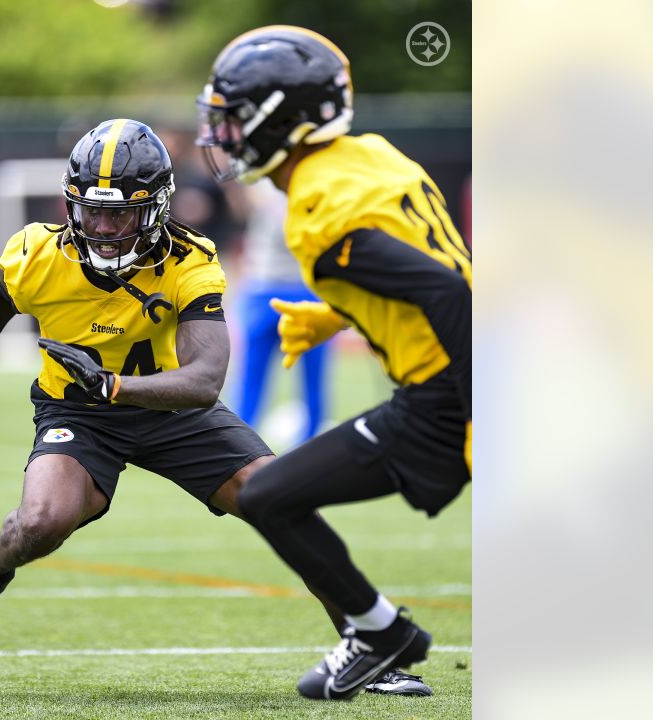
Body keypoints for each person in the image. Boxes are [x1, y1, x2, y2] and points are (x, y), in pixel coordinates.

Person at [0, 118, 355, 659]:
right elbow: (0, 294)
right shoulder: (37, 251)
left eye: (121, 214)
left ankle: (367, 644)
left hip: (173, 410)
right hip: (77, 409)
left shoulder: (190, 258)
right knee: (43, 521)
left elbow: (204, 380)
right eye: (92, 212)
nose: (105, 229)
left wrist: (115, 385)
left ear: (155, 208)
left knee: (287, 503)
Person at [197, 26, 471, 700]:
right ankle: (380, 632)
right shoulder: (371, 155)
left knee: (264, 496)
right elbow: (428, 267)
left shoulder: (316, 212)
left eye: (233, 119)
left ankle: (378, 634)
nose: (224, 135)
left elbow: (445, 289)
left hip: (445, 395)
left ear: (279, 118)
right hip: (460, 375)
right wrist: (335, 311)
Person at [233, 179, 329, 446]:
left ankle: (312, 441)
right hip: (263, 285)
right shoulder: (261, 176)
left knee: (314, 378)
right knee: (250, 377)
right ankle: (237, 441)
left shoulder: (318, 177)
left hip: (305, 287)